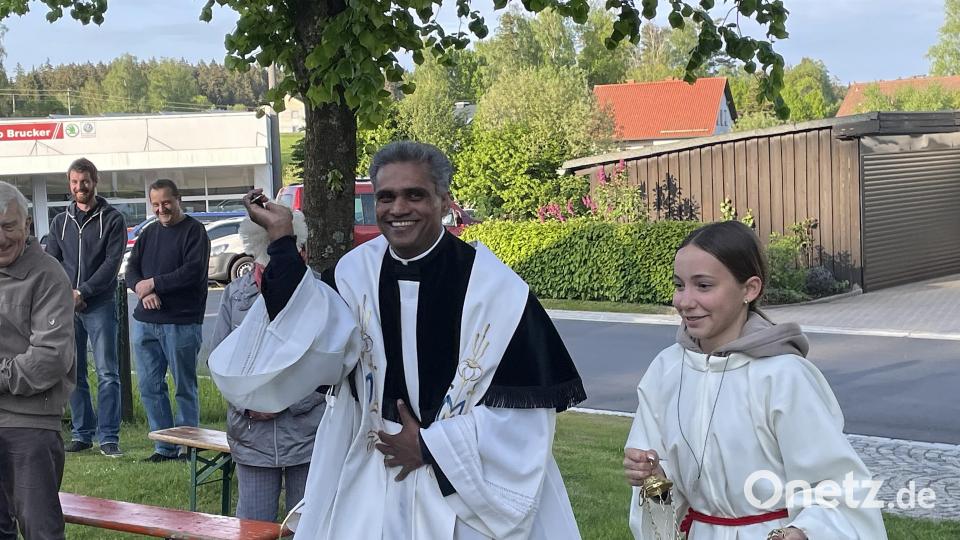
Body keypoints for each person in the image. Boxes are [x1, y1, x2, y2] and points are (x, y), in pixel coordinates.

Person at [209, 141, 587, 539]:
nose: (398, 209)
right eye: (386, 197)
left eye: (415, 195)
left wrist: (430, 447)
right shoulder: (355, 273)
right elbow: (307, 335)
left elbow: (526, 417)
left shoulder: (495, 290)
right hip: (374, 469)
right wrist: (282, 239)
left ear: (444, 201)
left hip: (463, 485)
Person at [623, 221, 887, 540]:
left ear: (750, 289)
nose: (685, 301)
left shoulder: (783, 376)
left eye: (703, 286)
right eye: (680, 285)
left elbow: (835, 487)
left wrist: (806, 531)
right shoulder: (667, 369)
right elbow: (662, 490)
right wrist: (655, 478)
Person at [209, 212, 325, 522]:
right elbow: (220, 361)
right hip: (251, 435)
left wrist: (283, 400)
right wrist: (249, 405)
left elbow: (328, 366)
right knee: (253, 525)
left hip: (305, 433)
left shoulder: (318, 293)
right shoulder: (236, 294)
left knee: (306, 525)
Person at [0, 181, 76, 539]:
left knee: (39, 529)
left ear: (27, 225)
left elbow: (49, 358)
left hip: (29, 422)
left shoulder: (48, 275)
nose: (0, 237)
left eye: (7, 226)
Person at [45, 157, 128, 458]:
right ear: (69, 184)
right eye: (74, 182)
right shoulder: (59, 221)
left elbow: (112, 263)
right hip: (67, 307)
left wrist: (84, 291)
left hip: (100, 304)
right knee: (72, 372)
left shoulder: (113, 219)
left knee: (108, 372)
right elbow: (51, 261)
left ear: (95, 181)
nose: (80, 187)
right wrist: (64, 293)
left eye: (85, 181)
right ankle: (82, 434)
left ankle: (108, 437)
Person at [126, 179, 210, 462]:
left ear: (178, 200)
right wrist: (143, 288)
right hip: (145, 320)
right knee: (150, 386)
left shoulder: (195, 232)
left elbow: (193, 272)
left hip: (181, 321)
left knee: (184, 387)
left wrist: (154, 284)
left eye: (166, 203)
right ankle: (164, 447)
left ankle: (189, 447)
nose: (161, 209)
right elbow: (131, 270)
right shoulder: (149, 234)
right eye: (156, 204)